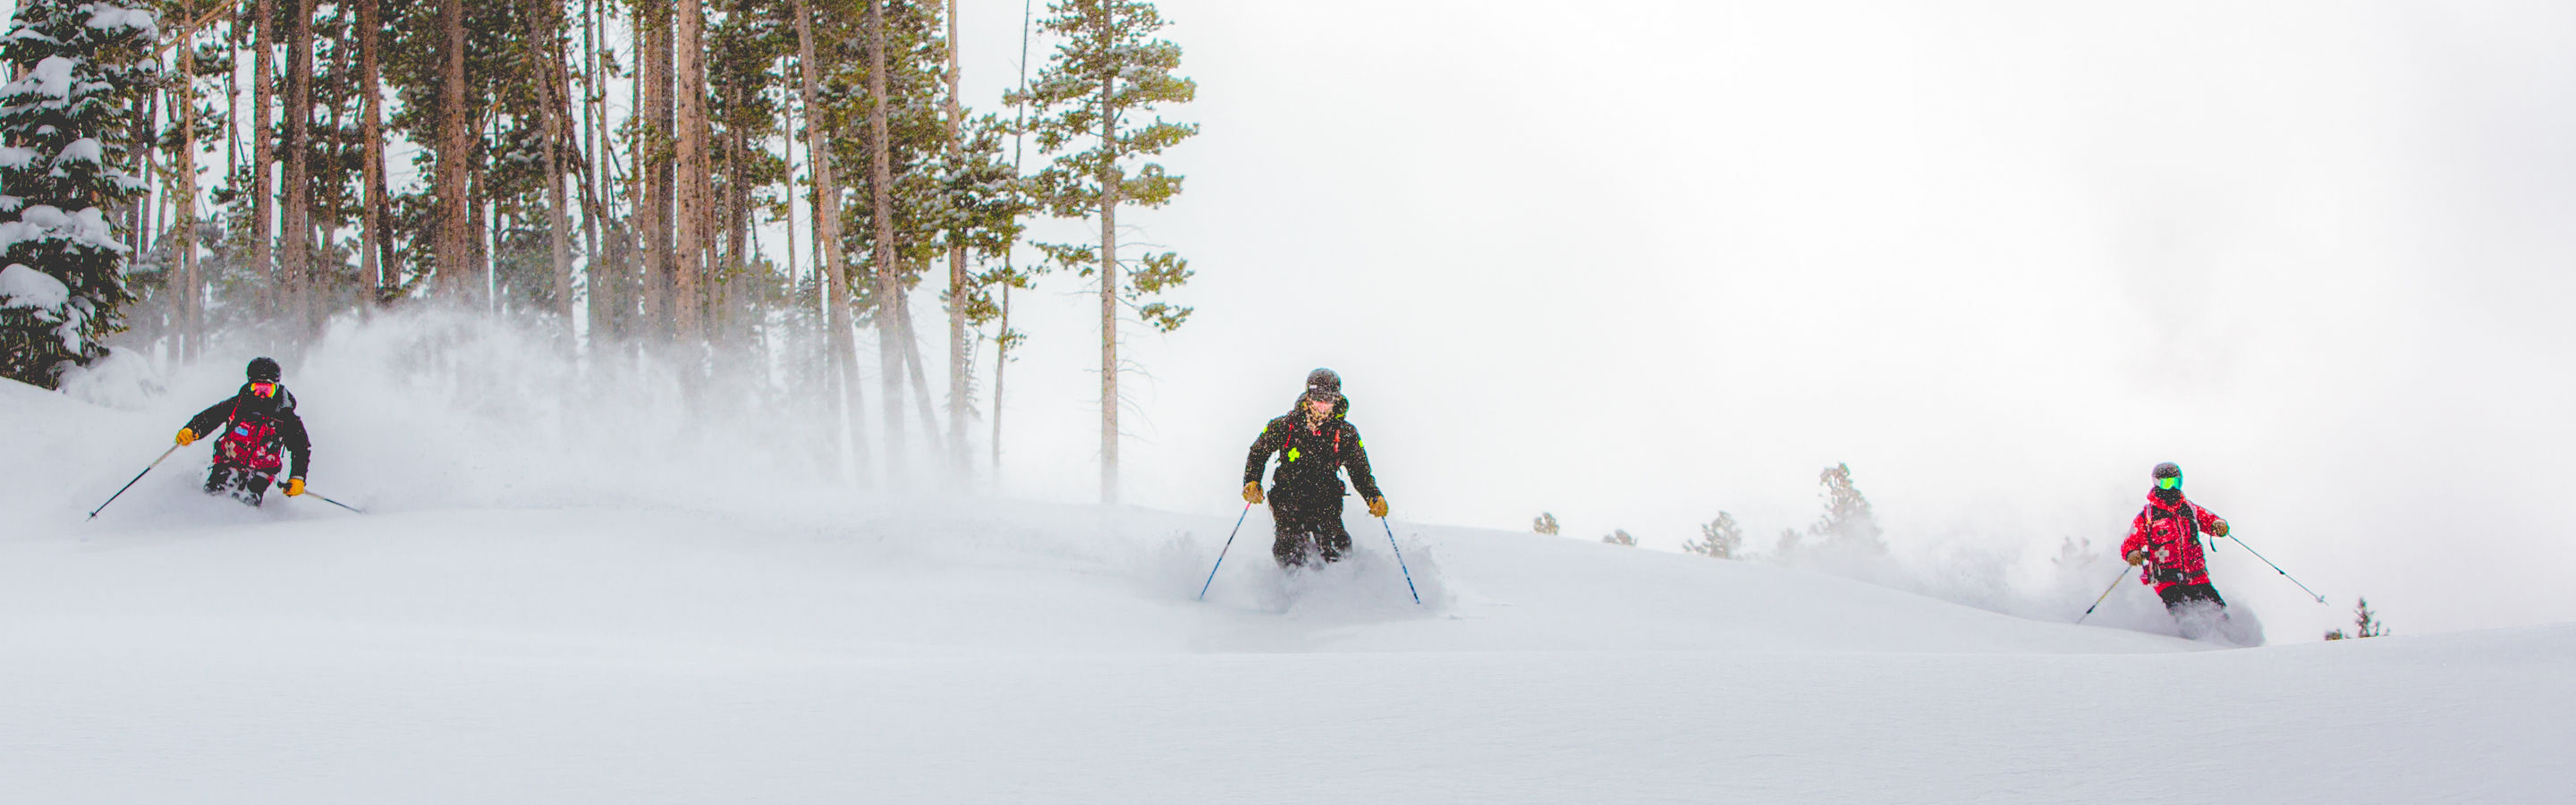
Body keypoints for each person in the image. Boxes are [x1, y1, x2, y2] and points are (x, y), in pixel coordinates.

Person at [1241, 369, 1386, 568]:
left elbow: (1360, 471)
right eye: (1318, 398)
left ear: (1336, 399)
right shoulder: (1285, 426)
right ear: (1308, 396)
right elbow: (1258, 453)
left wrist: (1373, 495)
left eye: (1329, 399)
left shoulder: (1345, 433)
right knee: (1289, 548)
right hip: (1288, 496)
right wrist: (1252, 480)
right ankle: (1294, 588)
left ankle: (1341, 588)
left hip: (1326, 499)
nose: (1323, 405)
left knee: (1336, 548)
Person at [175, 357, 312, 506]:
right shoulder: (238, 405)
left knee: (249, 500)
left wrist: (297, 477)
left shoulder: (285, 416)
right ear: (249, 385)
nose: (261, 395)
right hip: (228, 461)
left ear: (277, 387)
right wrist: (192, 430)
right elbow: (210, 417)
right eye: (257, 389)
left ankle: (245, 526)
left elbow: (301, 447)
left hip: (262, 469)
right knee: (213, 493)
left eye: (267, 390)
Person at [2122, 462, 2237, 638]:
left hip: (2197, 577)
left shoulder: (2189, 509)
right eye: (2167, 484)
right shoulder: (2149, 516)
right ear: (2157, 484)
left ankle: (2236, 644)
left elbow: (2209, 521)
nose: (2171, 488)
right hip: (2167, 579)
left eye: (2176, 483)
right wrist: (2132, 554)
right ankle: (2189, 650)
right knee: (2186, 619)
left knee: (2219, 615)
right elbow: (2130, 542)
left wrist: (2218, 525)